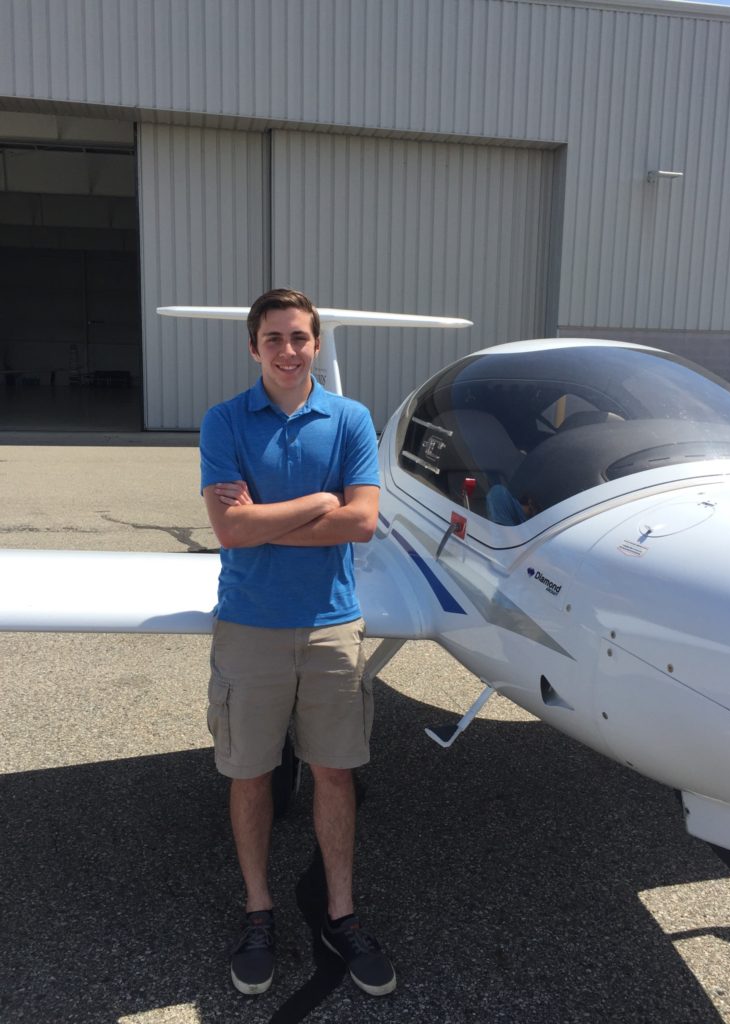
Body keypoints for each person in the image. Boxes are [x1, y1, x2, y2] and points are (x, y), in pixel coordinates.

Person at [200, 288, 395, 998]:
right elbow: (230, 530)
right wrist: (318, 502)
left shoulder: (352, 419)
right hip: (249, 623)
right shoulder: (224, 420)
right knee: (250, 773)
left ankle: (341, 914)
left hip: (331, 625)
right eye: (274, 338)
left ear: (316, 344)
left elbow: (363, 523)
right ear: (254, 347)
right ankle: (259, 912)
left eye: (300, 338)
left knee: (335, 773)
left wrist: (266, 521)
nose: (288, 351)